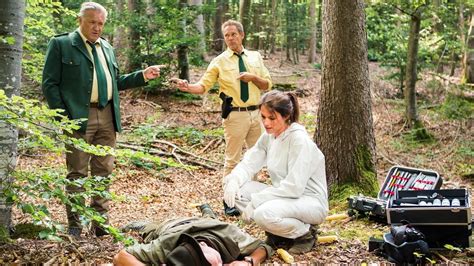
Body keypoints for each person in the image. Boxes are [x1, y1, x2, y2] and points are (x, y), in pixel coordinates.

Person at [42, 2, 163, 237]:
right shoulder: (62, 44)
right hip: (77, 117)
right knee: (76, 172)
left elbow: (115, 81)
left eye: (101, 23)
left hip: (107, 115)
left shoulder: (106, 47)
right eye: (92, 22)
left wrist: (142, 76)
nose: (97, 27)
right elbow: (49, 83)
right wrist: (63, 117)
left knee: (103, 171)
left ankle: (99, 224)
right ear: (80, 20)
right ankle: (75, 225)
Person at [223, 90, 329, 254]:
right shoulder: (269, 137)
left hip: (309, 201)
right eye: (263, 117)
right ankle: (279, 234)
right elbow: (250, 162)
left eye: (272, 118)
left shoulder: (298, 140)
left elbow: (294, 187)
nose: (266, 123)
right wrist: (233, 180)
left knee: (262, 214)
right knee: (240, 191)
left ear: (286, 115)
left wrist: (257, 201)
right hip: (283, 197)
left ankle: (305, 234)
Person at [174, 20, 272, 180]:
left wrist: (253, 78)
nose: (230, 38)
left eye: (233, 34)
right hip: (235, 116)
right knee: (232, 160)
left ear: (242, 35)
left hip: (257, 114)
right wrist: (188, 87)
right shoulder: (219, 61)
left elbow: (267, 84)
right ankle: (228, 201)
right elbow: (203, 86)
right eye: (227, 35)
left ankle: (250, 196)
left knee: (256, 160)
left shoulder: (255, 57)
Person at [113, 210, 273, 265]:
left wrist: (249, 261)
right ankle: (137, 224)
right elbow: (121, 256)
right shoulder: (167, 246)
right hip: (171, 226)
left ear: (203, 245)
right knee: (148, 230)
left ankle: (206, 210)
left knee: (211, 218)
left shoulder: (233, 236)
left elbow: (264, 247)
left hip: (208, 224)